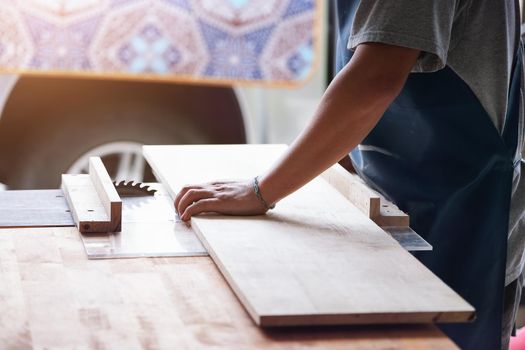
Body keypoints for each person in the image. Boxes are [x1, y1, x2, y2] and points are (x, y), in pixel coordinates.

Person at [175, 1, 525, 348]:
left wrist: (261, 191)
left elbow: (374, 78)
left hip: (465, 223)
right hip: (407, 213)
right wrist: (342, 153)